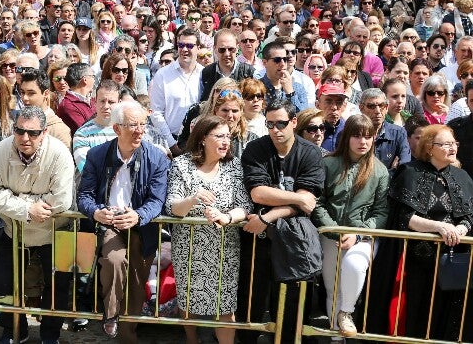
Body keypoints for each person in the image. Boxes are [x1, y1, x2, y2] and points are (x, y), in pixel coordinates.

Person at [77, 100, 170, 343]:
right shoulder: (97, 155)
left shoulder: (157, 158)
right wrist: (97, 212)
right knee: (114, 260)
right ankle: (111, 315)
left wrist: (139, 215)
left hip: (143, 226)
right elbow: (84, 195)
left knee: (138, 282)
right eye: (132, 125)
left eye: (143, 124)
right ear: (117, 128)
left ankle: (128, 332)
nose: (140, 130)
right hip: (110, 223)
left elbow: (157, 199)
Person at [372, 125, 473, 341]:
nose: (452, 147)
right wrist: (439, 227)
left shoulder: (463, 177)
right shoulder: (410, 172)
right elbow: (404, 217)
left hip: (451, 259)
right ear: (429, 147)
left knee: (447, 313)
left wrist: (460, 229)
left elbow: (469, 215)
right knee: (414, 312)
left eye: (453, 143)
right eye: (445, 144)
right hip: (414, 259)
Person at [0, 105, 74, 344]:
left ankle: (50, 336)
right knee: (5, 284)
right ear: (13, 129)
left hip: (55, 230)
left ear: (44, 133)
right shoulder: (1, 151)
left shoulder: (60, 153)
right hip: (14, 230)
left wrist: (14, 198)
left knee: (57, 286)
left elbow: (63, 200)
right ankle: (14, 330)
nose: (25, 138)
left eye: (33, 133)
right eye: (20, 130)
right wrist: (27, 209)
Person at [238, 100, 324, 344]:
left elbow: (310, 201)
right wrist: (297, 198)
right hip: (258, 237)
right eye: (270, 124)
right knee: (252, 301)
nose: (276, 129)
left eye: (282, 123)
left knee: (292, 304)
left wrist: (268, 216)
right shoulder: (256, 148)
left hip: (293, 237)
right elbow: (258, 194)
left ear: (294, 122)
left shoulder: (310, 152)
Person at [165, 116, 252, 344]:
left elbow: (245, 205)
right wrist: (193, 200)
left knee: (225, 305)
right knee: (188, 302)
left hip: (224, 248)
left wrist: (227, 217)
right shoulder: (181, 164)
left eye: (228, 137)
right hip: (189, 248)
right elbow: (173, 207)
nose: (226, 142)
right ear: (203, 138)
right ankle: (192, 340)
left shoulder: (233, 166)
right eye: (219, 136)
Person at [311, 114, 389, 338]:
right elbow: (318, 202)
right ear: (347, 138)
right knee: (332, 289)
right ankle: (336, 339)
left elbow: (381, 211)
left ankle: (347, 313)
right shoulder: (328, 164)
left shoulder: (380, 170)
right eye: (357, 136)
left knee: (354, 266)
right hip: (330, 235)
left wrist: (357, 233)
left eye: (368, 136)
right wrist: (335, 230)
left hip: (363, 236)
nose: (363, 141)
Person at [149, 28, 204, 156]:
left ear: (198, 48)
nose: (184, 49)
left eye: (189, 45)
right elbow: (156, 113)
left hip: (199, 142)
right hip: (169, 143)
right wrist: (172, 145)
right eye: (181, 45)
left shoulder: (204, 74)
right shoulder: (162, 74)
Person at [358, 88, 411, 174]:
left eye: (381, 106)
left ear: (386, 108)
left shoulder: (399, 133)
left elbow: (404, 166)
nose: (378, 111)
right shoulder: (352, 133)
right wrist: (392, 170)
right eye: (371, 106)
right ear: (361, 108)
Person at [199, 29, 255, 101]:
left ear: (237, 48)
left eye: (231, 49)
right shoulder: (206, 73)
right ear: (215, 49)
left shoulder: (249, 73)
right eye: (222, 50)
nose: (227, 54)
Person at [57, 61, 96, 135]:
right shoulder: (68, 106)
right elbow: (86, 132)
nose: (94, 80)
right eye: (92, 76)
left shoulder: (92, 100)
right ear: (85, 80)